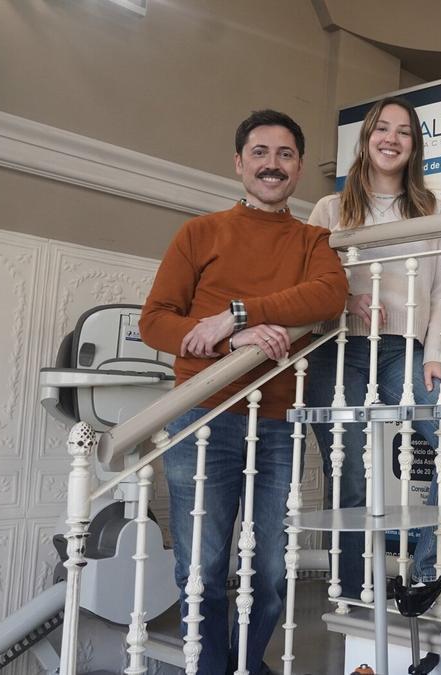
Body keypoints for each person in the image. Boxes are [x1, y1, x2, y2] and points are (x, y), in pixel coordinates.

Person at [141, 109, 348, 674]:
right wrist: (232, 343)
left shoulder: (313, 239)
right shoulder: (200, 233)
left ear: (299, 167)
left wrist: (238, 315)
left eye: (284, 155)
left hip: (278, 422)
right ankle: (209, 668)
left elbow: (330, 295)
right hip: (201, 415)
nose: (272, 165)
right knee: (202, 563)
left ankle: (247, 664)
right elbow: (154, 321)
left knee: (274, 569)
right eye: (260, 153)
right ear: (239, 163)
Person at [303, 97, 441, 615]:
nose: (392, 139)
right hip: (340, 349)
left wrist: (436, 352)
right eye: (383, 129)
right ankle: (360, 593)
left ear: (415, 145)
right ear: (366, 138)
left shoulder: (436, 209)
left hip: (406, 352)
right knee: (352, 472)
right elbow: (310, 286)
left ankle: (429, 570)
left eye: (404, 132)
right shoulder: (328, 210)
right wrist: (343, 298)